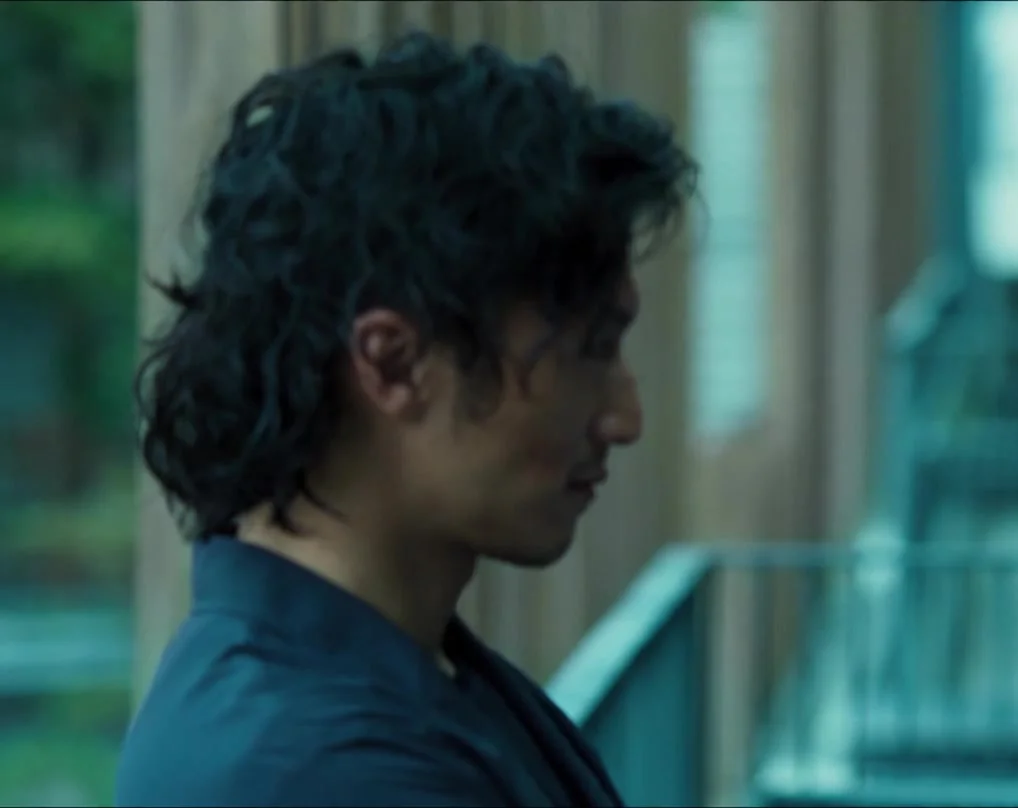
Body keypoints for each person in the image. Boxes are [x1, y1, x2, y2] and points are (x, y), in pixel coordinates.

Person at [115, 32, 696, 807]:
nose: (626, 418)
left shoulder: (400, 670)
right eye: (590, 351)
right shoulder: (318, 770)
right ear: (393, 364)